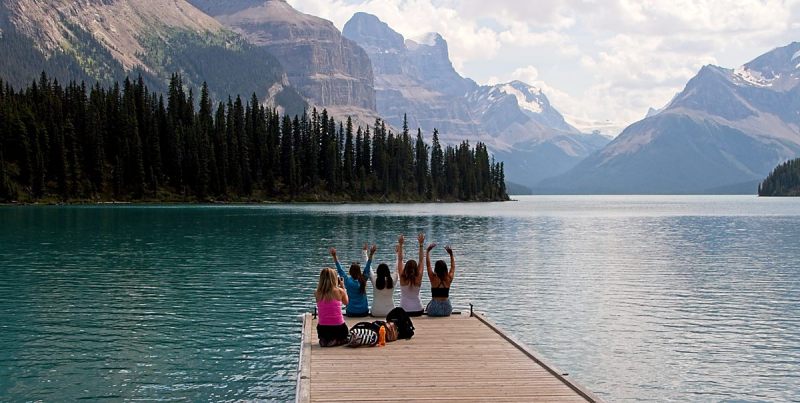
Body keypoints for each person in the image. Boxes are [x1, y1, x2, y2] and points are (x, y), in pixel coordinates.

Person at [330, 245, 375, 317]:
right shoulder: (363, 280)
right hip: (364, 312)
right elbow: (368, 265)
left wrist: (334, 256)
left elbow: (339, 269)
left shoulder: (347, 281)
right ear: (359, 272)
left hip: (351, 312)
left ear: (350, 272)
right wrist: (371, 253)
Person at [315, 267, 349, 347]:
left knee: (324, 331)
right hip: (338, 327)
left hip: (322, 329)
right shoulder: (340, 291)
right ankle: (337, 341)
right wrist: (343, 287)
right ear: (334, 279)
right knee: (346, 335)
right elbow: (346, 302)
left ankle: (325, 340)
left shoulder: (317, 293)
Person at [396, 233, 425, 317]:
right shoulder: (418, 278)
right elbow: (421, 260)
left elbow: (400, 259)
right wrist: (421, 245)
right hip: (418, 310)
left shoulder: (402, 277)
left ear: (406, 268)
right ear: (416, 269)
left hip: (404, 311)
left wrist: (401, 244)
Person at [425, 243, 455, 317]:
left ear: (436, 269)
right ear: (445, 269)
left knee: (429, 304)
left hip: (434, 310)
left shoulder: (433, 278)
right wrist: (451, 255)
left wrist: (427, 252)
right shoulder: (449, 278)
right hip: (447, 310)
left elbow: (428, 265)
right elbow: (453, 267)